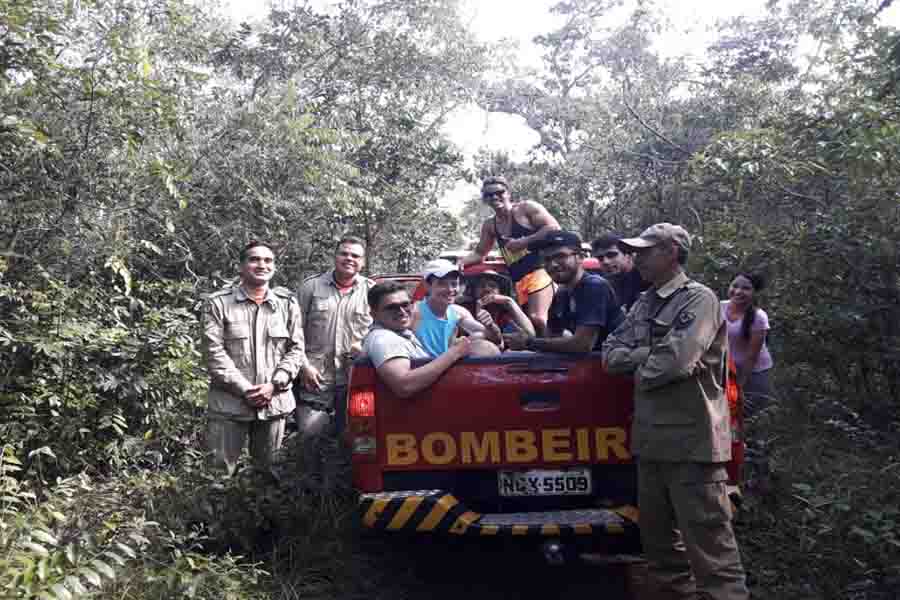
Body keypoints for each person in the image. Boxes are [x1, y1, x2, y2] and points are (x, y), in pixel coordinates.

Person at [601, 223, 749, 600]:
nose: (638, 259)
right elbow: (610, 354)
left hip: (692, 448)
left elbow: (673, 364)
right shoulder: (645, 302)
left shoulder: (699, 300)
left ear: (670, 252)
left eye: (646, 251)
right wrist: (649, 357)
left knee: (713, 558)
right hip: (651, 447)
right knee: (663, 557)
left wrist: (643, 361)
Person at [202, 241, 303, 477]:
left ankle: (263, 515)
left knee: (269, 474)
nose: (262, 265)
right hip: (230, 403)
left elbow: (296, 349)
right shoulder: (218, 303)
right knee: (220, 474)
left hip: (273, 402)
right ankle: (218, 515)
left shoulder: (286, 304)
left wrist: (274, 383)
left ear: (274, 267)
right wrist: (246, 389)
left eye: (268, 261)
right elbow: (213, 352)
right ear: (241, 266)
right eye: (254, 259)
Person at [460, 176, 560, 336]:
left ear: (508, 193)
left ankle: (554, 357)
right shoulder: (490, 225)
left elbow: (554, 228)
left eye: (499, 192)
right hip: (519, 281)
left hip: (541, 271)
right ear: (485, 199)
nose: (494, 197)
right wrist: (460, 263)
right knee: (528, 326)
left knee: (538, 319)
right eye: (489, 195)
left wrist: (524, 241)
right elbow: (480, 253)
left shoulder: (525, 209)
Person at [294, 236, 373, 437]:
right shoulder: (310, 287)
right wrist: (304, 367)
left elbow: (381, 333)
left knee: (356, 437)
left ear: (362, 262)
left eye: (355, 255)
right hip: (316, 378)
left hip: (356, 377)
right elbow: (294, 332)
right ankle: (311, 469)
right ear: (335, 256)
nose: (349, 259)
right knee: (311, 436)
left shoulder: (371, 291)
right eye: (344, 253)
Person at [504, 231, 623, 353]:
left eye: (560, 256)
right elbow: (550, 337)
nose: (553, 264)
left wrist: (529, 343)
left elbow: (582, 344)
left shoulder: (594, 286)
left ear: (580, 257)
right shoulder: (562, 294)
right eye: (547, 259)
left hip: (611, 363)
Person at [362, 282, 473, 398]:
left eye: (405, 305)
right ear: (374, 314)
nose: (402, 312)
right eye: (392, 307)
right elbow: (404, 385)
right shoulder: (384, 339)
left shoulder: (401, 333)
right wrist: (454, 353)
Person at [414, 259, 500, 357]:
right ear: (427, 286)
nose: (450, 290)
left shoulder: (457, 312)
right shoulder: (414, 312)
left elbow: (494, 339)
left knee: (486, 347)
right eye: (442, 284)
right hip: (422, 368)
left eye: (454, 284)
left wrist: (490, 326)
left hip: (450, 367)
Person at [722, 271, 775, 415]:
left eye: (746, 288)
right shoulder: (719, 307)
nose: (738, 291)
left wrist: (739, 385)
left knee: (749, 416)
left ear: (754, 292)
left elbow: (752, 357)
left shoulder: (759, 317)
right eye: (735, 286)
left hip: (753, 375)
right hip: (726, 371)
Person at [458, 270, 536, 338]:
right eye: (482, 286)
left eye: (492, 286)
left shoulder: (505, 311)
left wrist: (509, 301)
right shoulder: (466, 308)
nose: (486, 289)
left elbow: (531, 334)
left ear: (500, 292)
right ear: (474, 291)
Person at [592, 232, 648, 311]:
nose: (605, 262)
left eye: (611, 255)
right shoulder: (605, 285)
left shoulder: (647, 278)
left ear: (628, 255)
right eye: (600, 258)